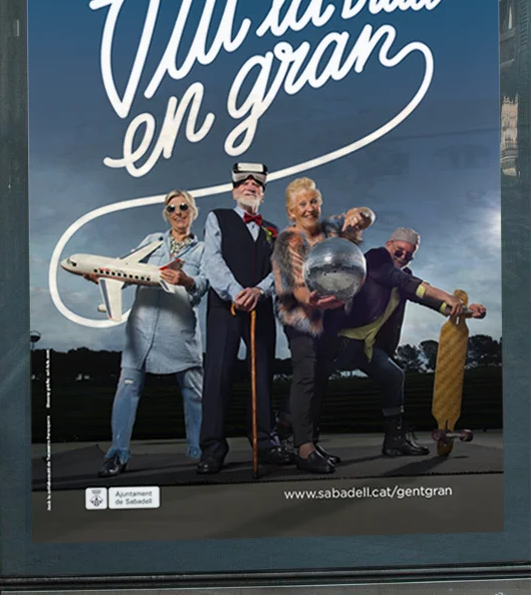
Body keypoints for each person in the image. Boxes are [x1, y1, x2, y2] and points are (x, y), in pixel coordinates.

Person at [64, 188, 207, 478]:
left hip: (179, 333)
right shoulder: (151, 243)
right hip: (140, 332)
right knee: (127, 390)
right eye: (171, 209)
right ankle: (117, 454)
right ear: (165, 214)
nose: (178, 213)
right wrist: (100, 277)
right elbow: (126, 273)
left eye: (183, 207)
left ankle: (201, 451)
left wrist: (187, 279)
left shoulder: (202, 250)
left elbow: (203, 287)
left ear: (193, 212)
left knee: (194, 394)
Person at [324, 228, 485, 457]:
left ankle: (394, 440)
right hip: (344, 339)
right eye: (399, 251)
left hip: (368, 347)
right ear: (389, 244)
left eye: (408, 255)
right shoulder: (374, 258)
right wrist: (447, 296)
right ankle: (288, 429)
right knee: (313, 379)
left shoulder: (404, 276)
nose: (402, 257)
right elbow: (404, 281)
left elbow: (430, 301)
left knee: (393, 376)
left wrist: (468, 311)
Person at [269, 177, 372, 475]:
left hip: (331, 316)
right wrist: (312, 301)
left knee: (322, 377)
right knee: (306, 375)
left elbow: (366, 217)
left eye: (313, 201)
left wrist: (359, 214)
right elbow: (297, 289)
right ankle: (302, 448)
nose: (309, 208)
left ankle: (311, 440)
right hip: (300, 317)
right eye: (302, 204)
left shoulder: (331, 228)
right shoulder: (287, 241)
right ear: (291, 211)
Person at [197, 161, 278, 475]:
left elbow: (279, 270)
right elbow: (212, 259)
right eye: (244, 183)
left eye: (256, 184)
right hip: (225, 306)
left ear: (262, 193)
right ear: (234, 190)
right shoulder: (217, 217)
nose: (250, 186)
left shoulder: (273, 229)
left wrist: (259, 291)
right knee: (218, 374)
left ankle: (265, 442)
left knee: (263, 374)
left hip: (261, 306)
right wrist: (236, 292)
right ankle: (213, 448)